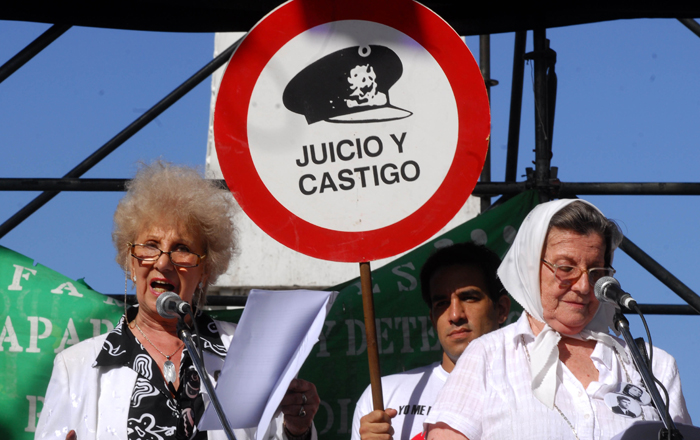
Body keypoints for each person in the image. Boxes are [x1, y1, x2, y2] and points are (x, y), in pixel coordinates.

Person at [35, 162, 320, 440]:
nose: (163, 262)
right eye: (150, 245)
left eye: (181, 248)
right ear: (131, 263)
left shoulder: (246, 354)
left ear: (205, 270)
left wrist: (297, 431)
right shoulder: (76, 367)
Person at [424, 199, 692, 440]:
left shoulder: (653, 366)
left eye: (596, 271)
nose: (584, 286)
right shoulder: (488, 356)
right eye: (566, 268)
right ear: (530, 267)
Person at [352, 242, 511, 440]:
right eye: (442, 303)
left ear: (501, 309)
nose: (455, 315)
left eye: (469, 298)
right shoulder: (382, 399)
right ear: (433, 319)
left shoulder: (537, 391)